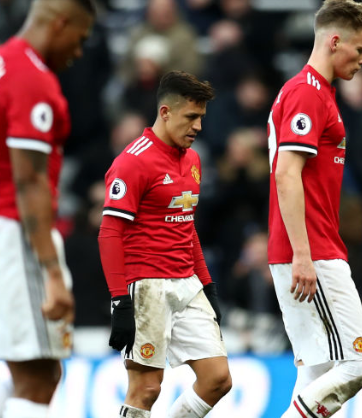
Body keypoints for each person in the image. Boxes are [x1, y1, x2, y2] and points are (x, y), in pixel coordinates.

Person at [0, 1, 95, 418]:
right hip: (10, 236)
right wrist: (52, 272)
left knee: (35, 372)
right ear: (61, 23)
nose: (78, 51)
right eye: (79, 39)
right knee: (37, 379)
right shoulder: (32, 78)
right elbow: (29, 180)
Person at [98, 71, 232, 418]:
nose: (198, 126)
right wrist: (119, 300)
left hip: (186, 283)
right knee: (146, 389)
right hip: (147, 286)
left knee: (218, 379)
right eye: (191, 116)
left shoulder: (193, 160)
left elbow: (186, 225)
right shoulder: (133, 161)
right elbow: (109, 233)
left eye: (201, 117)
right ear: (165, 112)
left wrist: (207, 284)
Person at [266, 1, 362, 416]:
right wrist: (303, 254)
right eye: (359, 49)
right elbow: (286, 174)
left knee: (319, 372)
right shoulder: (307, 93)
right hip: (311, 250)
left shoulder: (313, 92)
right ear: (334, 42)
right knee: (358, 365)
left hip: (304, 248)